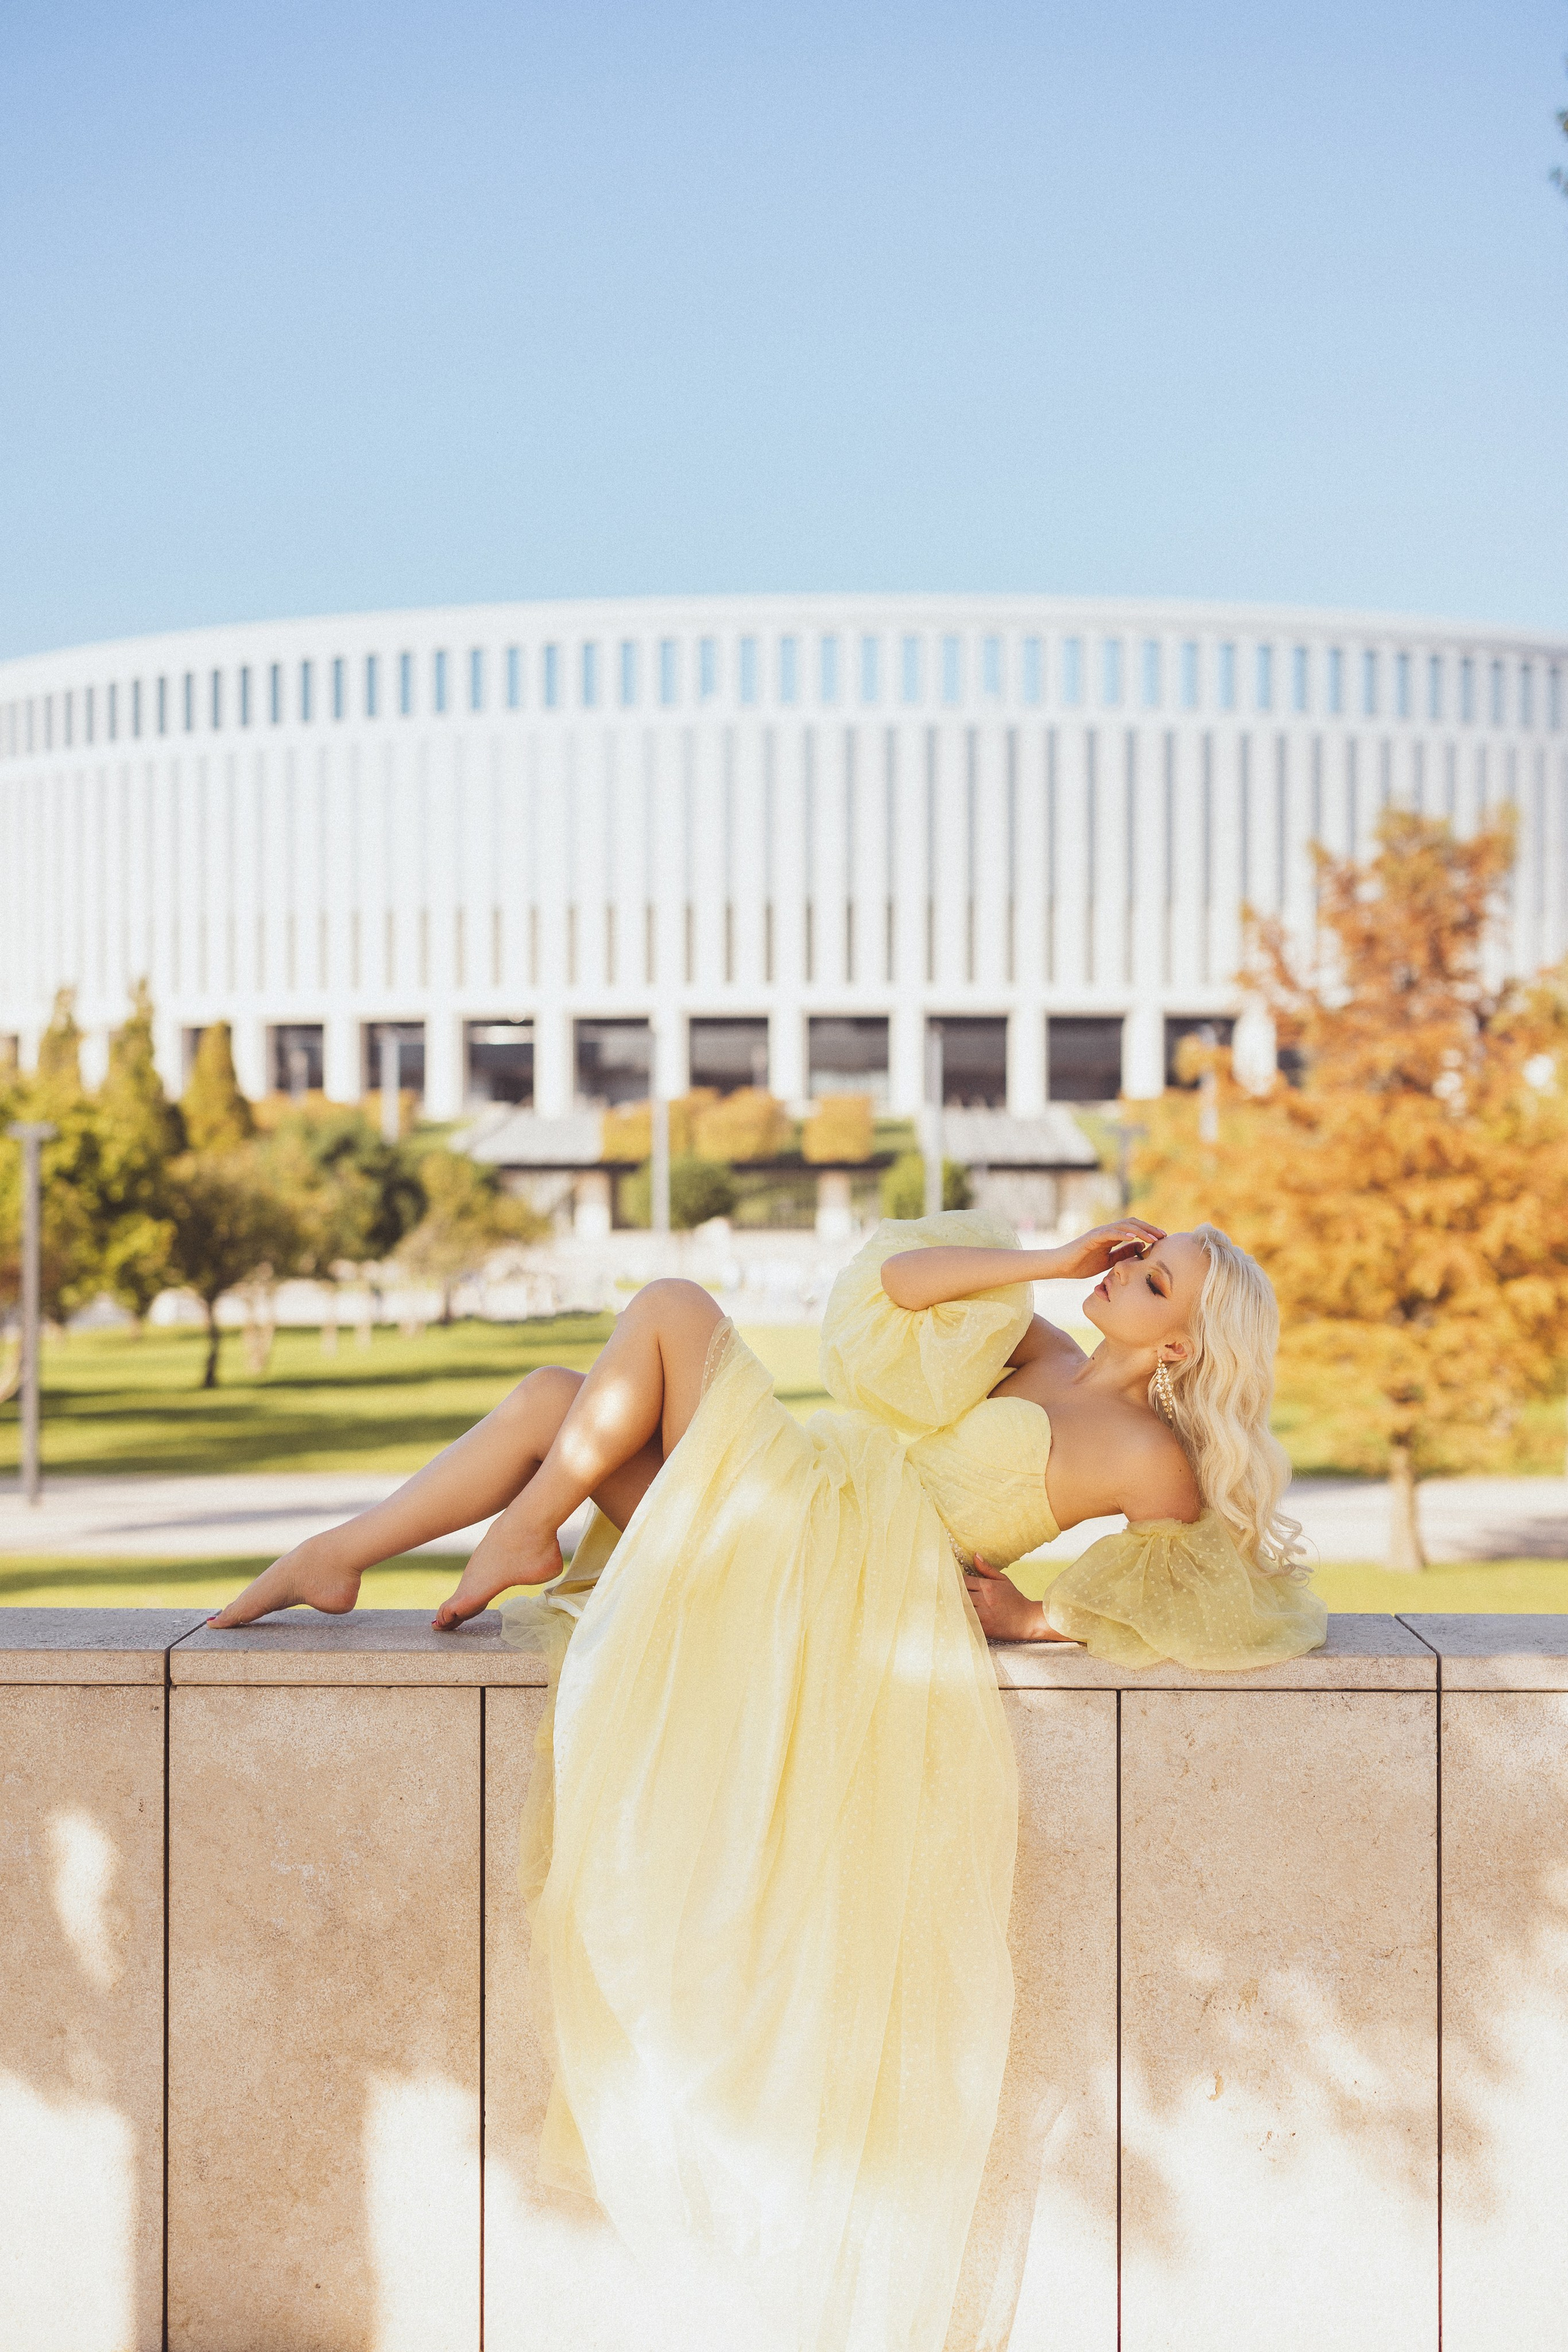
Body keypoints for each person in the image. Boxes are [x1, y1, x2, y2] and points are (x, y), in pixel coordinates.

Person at [209, 1210, 1325, 2351]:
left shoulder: (1149, 1452)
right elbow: (897, 1284)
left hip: (839, 1575)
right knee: (561, 1399)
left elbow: (1210, 1596)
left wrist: (1035, 1614)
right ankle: (344, 1554)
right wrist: (1053, 1258)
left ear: (1182, 1348)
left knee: (669, 1312)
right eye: (1138, 1255)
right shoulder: (1039, 1350)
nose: (1127, 1272)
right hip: (809, 1523)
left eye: (1154, 1281)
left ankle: (520, 1536)